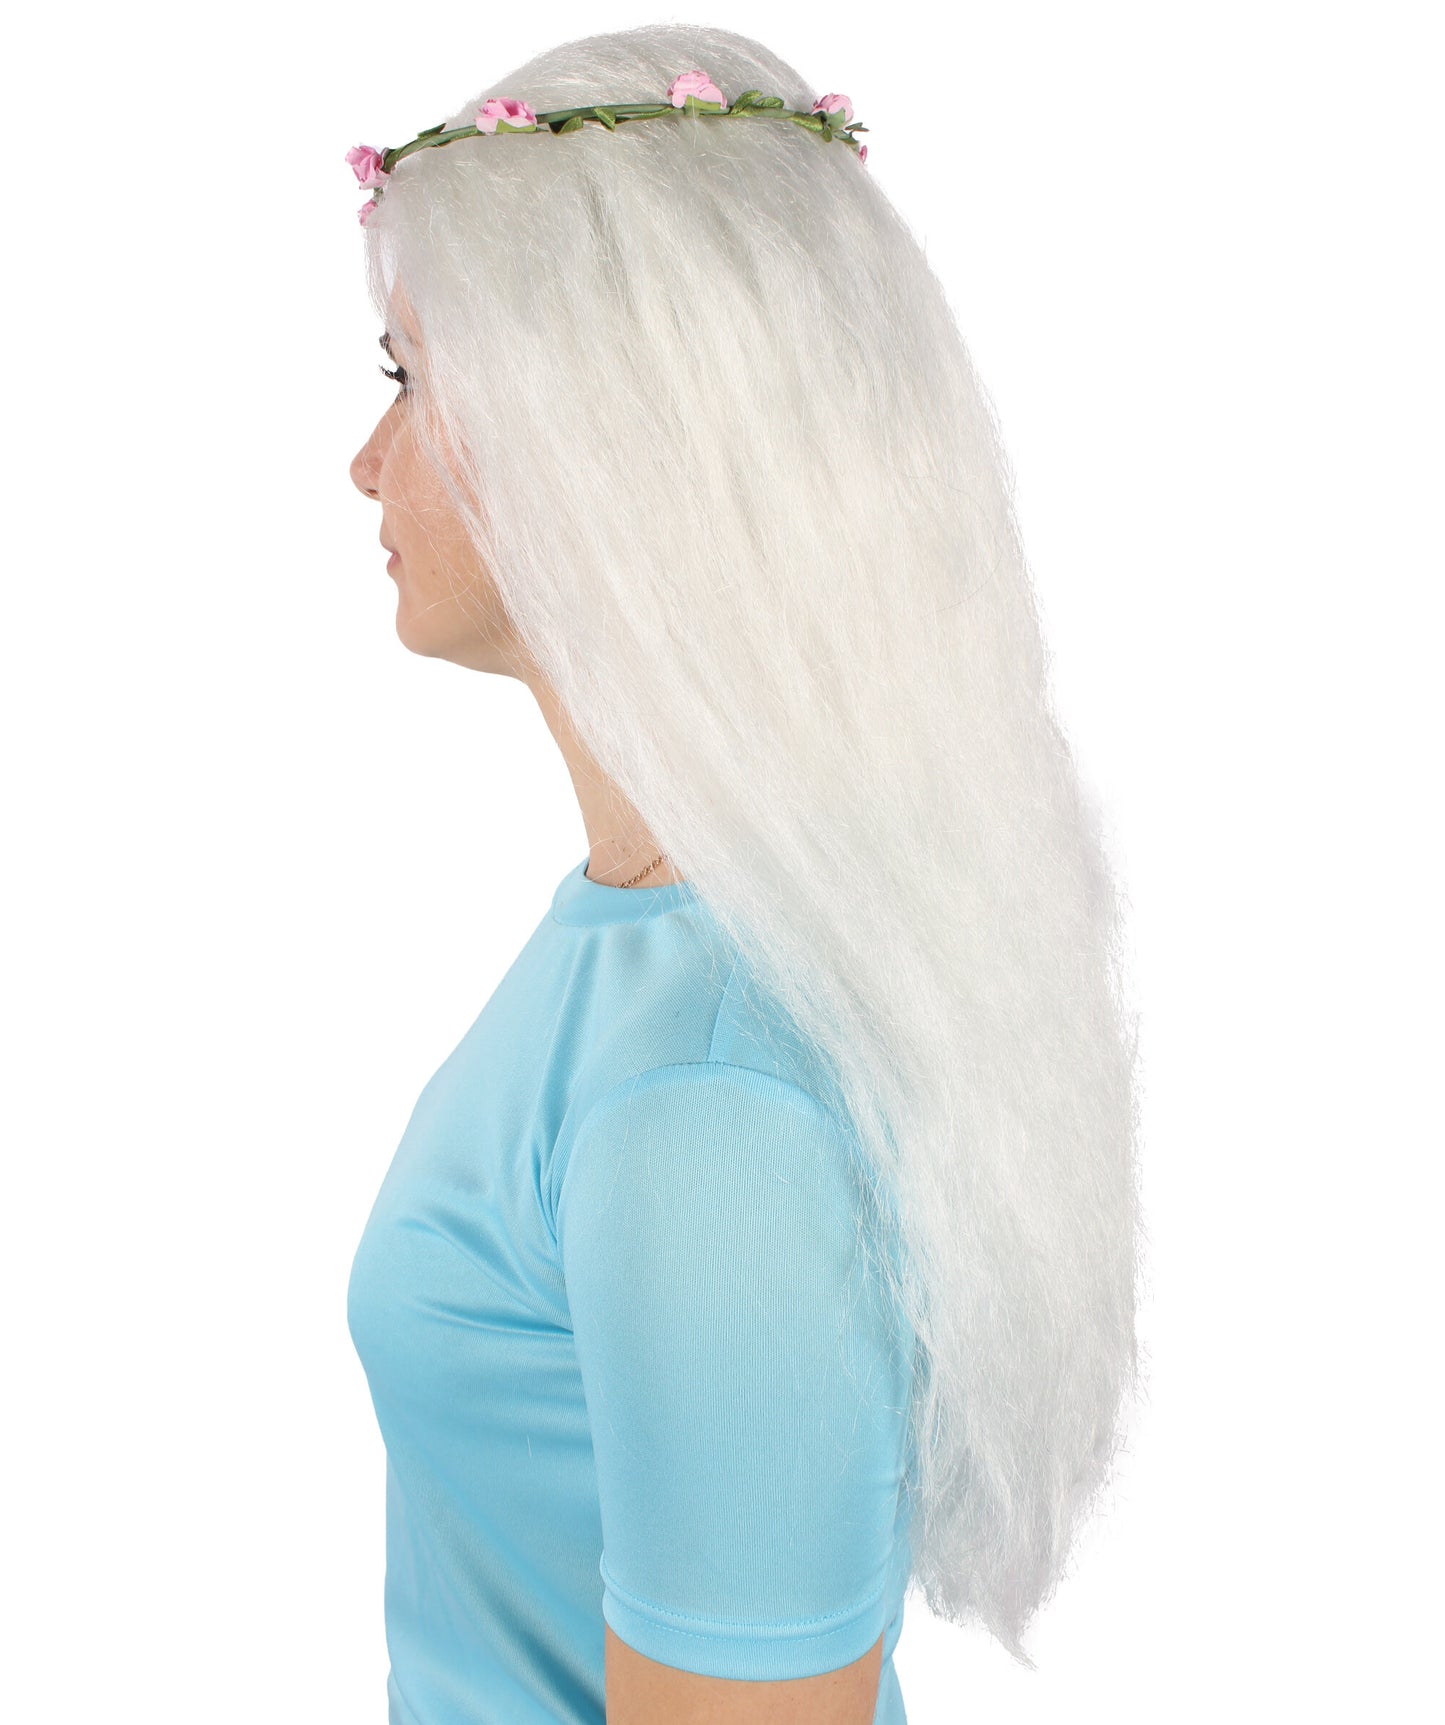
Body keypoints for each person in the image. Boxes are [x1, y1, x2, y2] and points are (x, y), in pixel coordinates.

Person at [344, 23, 1143, 1725]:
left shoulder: (706, 1106)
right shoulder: (646, 946)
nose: (363, 460)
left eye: (407, 376)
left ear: (596, 434)